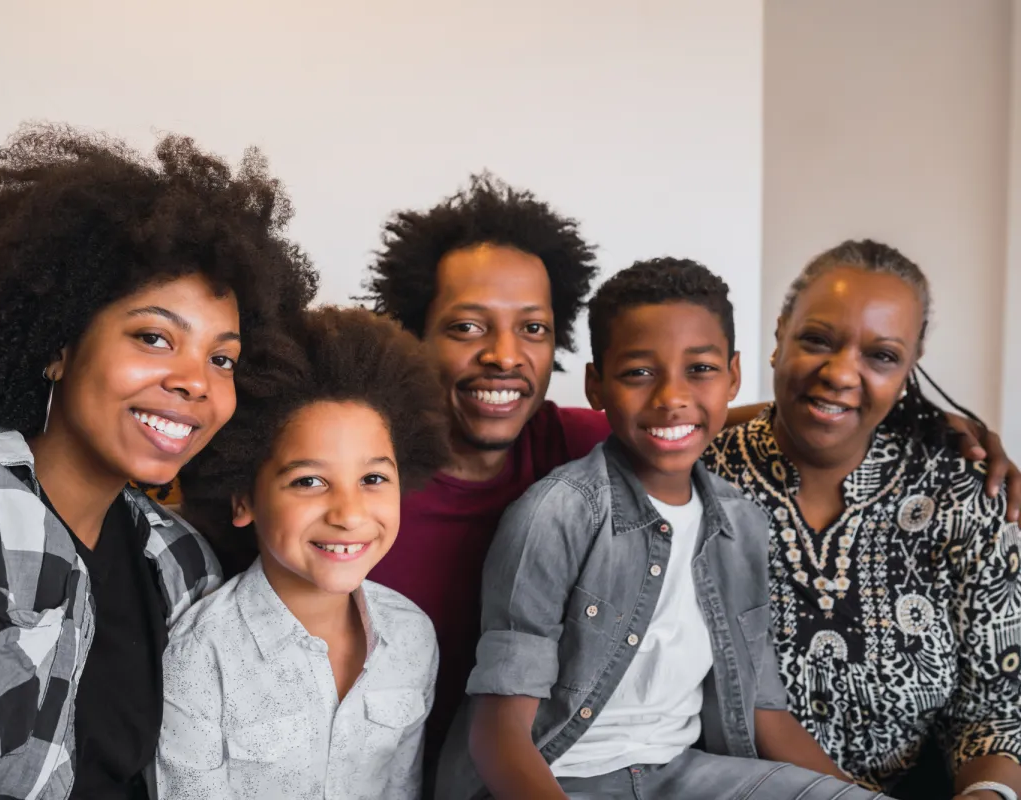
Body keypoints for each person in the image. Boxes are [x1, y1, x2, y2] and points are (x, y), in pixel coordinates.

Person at [354, 174, 1021, 785]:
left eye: (532, 327)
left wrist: (917, 423)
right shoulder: (372, 487)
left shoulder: (656, 469)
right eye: (467, 326)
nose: (504, 355)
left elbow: (683, 417)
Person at [0, 124, 316, 800]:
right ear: (58, 347)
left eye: (222, 358)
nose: (195, 381)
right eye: (154, 337)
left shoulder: (181, 565)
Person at [438, 258, 890, 800]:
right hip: (559, 778)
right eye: (638, 373)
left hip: (684, 775)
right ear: (596, 386)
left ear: (733, 376)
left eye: (700, 369)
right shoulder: (558, 514)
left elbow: (764, 710)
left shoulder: (740, 524)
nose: (671, 397)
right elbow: (497, 734)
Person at [705, 240, 1021, 800]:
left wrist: (985, 794)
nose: (840, 373)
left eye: (881, 356)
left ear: (908, 369)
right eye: (817, 341)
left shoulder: (961, 493)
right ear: (779, 338)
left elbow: (994, 711)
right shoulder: (695, 481)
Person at [156, 307, 447, 799]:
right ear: (244, 499)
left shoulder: (412, 636)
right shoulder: (200, 656)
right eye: (309, 481)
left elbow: (401, 787)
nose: (349, 514)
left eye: (373, 478)